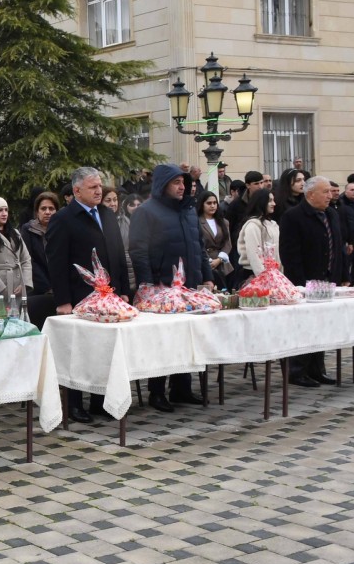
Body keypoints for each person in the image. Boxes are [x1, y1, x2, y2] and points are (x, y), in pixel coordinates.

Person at [46, 168, 130, 422]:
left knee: (102, 351)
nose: (99, 190)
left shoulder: (106, 213)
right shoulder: (64, 218)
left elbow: (118, 254)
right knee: (79, 352)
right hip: (80, 297)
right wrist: (63, 300)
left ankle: (99, 402)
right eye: (93, 187)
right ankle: (73, 403)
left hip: (109, 298)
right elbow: (57, 261)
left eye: (100, 186)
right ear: (76, 190)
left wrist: (124, 291)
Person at [129, 165, 211, 411]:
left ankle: (181, 388)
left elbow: (199, 247)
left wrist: (206, 277)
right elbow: (138, 250)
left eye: (183, 182)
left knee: (186, 338)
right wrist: (147, 284)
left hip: (188, 288)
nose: (182, 186)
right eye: (176, 182)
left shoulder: (188, 211)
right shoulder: (146, 212)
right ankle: (156, 391)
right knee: (161, 342)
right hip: (160, 289)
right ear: (163, 185)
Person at [279, 176, 345, 387]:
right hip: (305, 282)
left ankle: (317, 369)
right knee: (303, 327)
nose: (330, 195)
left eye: (330, 191)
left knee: (322, 326)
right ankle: (297, 371)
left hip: (328, 280)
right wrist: (300, 283)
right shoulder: (294, 216)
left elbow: (338, 246)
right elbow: (290, 253)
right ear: (310, 194)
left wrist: (342, 276)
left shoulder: (331, 214)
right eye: (325, 192)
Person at [20, 191, 59, 326]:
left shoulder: (62, 229)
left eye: (51, 208)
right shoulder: (28, 229)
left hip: (60, 289)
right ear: (37, 212)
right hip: (38, 289)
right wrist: (47, 286)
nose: (47, 212)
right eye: (43, 208)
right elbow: (29, 260)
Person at [235, 189, 280, 278]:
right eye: (270, 201)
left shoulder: (273, 224)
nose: (274, 204)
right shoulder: (253, 225)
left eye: (273, 200)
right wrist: (263, 278)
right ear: (261, 202)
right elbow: (254, 254)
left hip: (273, 274)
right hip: (254, 275)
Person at [197, 191, 232, 288]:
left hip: (222, 264)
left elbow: (227, 243)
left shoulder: (223, 222)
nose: (212, 206)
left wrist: (219, 259)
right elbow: (197, 243)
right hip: (205, 263)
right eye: (209, 203)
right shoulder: (197, 221)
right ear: (202, 204)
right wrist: (208, 260)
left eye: (214, 203)